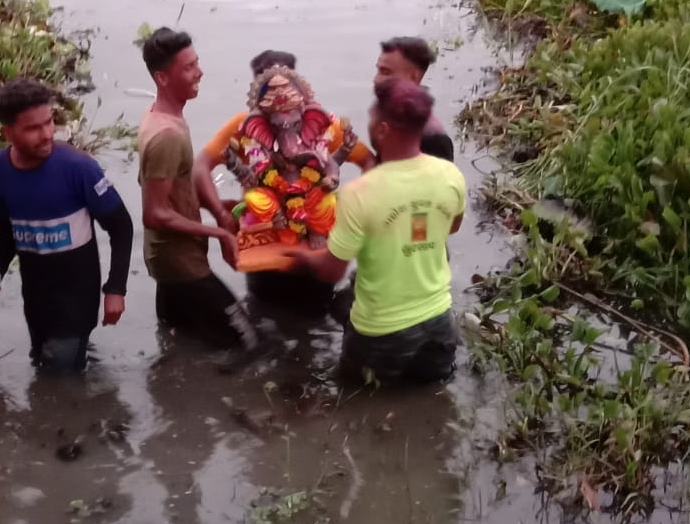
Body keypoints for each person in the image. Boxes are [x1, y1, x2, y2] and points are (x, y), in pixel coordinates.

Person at [286, 79, 466, 385]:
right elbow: (450, 227)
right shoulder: (450, 175)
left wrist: (299, 253)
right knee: (433, 391)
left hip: (381, 337)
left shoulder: (359, 193)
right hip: (439, 328)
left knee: (349, 396)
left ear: (382, 130)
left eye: (371, 118)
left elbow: (331, 272)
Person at [193, 49, 377, 313]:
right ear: (257, 92)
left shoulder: (323, 125)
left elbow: (369, 163)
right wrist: (222, 217)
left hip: (315, 249)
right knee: (267, 312)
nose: (277, 100)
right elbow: (200, 168)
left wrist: (353, 211)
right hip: (267, 247)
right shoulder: (244, 127)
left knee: (312, 316)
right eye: (267, 90)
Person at [0, 78, 133, 373]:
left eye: (49, 122)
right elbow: (5, 235)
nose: (46, 134)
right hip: (36, 294)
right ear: (7, 132)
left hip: (77, 296)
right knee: (41, 359)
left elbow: (121, 226)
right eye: (33, 128)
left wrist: (115, 289)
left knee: (59, 373)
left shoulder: (78, 168)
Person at [138, 27, 257, 349]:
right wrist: (221, 234)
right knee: (249, 344)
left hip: (165, 260)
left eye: (197, 63)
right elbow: (154, 213)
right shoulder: (167, 135)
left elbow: (173, 188)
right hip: (181, 263)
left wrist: (216, 207)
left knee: (182, 343)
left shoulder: (162, 117)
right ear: (162, 78)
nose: (199, 72)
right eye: (188, 67)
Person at [374, 37, 454, 162]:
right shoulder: (392, 118)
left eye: (386, 72)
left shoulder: (433, 139)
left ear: (414, 77)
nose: (376, 79)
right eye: (378, 70)